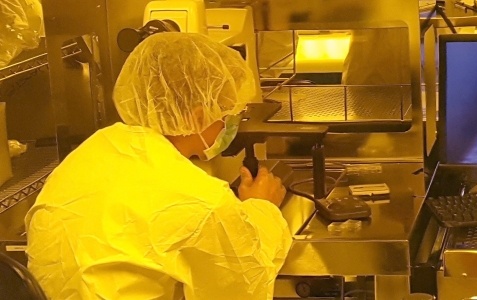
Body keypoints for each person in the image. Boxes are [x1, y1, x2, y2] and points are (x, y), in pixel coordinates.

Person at [25, 32, 292, 300]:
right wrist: (263, 208)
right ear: (199, 117)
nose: (232, 125)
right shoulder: (200, 200)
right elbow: (243, 285)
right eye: (228, 115)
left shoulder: (92, 152)